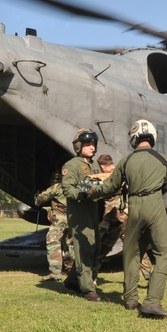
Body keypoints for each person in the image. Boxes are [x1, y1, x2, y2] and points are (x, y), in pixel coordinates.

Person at [89, 119, 167, 318]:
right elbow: (165, 187)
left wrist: (93, 193)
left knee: (131, 253)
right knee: (165, 254)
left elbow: (110, 187)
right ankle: (152, 301)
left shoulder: (125, 161)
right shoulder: (163, 160)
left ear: (134, 139)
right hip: (154, 204)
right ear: (152, 137)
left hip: (133, 206)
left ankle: (130, 299)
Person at [60, 128, 104, 302]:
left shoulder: (94, 165)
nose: (92, 147)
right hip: (79, 214)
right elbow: (67, 189)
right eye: (88, 144)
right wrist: (82, 192)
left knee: (95, 249)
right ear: (79, 146)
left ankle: (72, 281)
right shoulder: (71, 165)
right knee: (84, 248)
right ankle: (87, 289)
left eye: (93, 144)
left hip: (93, 212)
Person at [97, 153, 153, 281]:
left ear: (102, 167)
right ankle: (149, 274)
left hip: (114, 218)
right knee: (135, 246)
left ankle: (91, 277)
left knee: (102, 247)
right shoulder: (122, 173)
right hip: (126, 215)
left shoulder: (107, 177)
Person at [34, 173, 70, 281]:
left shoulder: (57, 187)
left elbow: (40, 200)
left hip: (59, 220)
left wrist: (36, 197)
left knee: (53, 242)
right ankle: (71, 269)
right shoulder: (76, 187)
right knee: (70, 244)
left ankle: (55, 272)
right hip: (74, 220)